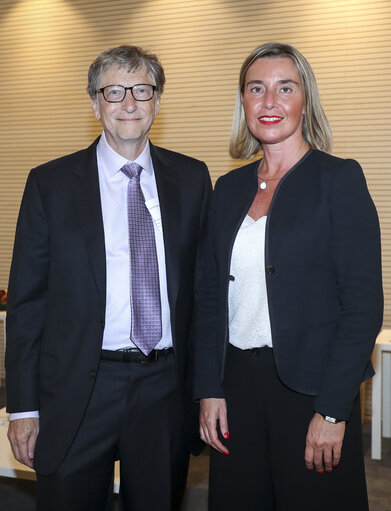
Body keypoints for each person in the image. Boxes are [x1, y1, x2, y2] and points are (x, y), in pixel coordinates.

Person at [5, 45, 211, 511]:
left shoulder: (193, 179)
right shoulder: (50, 184)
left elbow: (204, 296)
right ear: (94, 103)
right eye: (114, 91)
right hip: (77, 388)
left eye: (142, 90)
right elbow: (27, 304)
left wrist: (207, 389)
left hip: (164, 387)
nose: (129, 103)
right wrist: (23, 407)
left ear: (158, 101)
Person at [194, 42, 383, 511]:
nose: (270, 101)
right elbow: (210, 297)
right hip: (235, 389)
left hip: (312, 392)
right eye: (256, 88)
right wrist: (208, 389)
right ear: (243, 101)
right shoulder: (228, 188)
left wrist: (334, 408)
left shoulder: (338, 180)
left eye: (285, 88)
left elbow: (361, 308)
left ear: (306, 100)